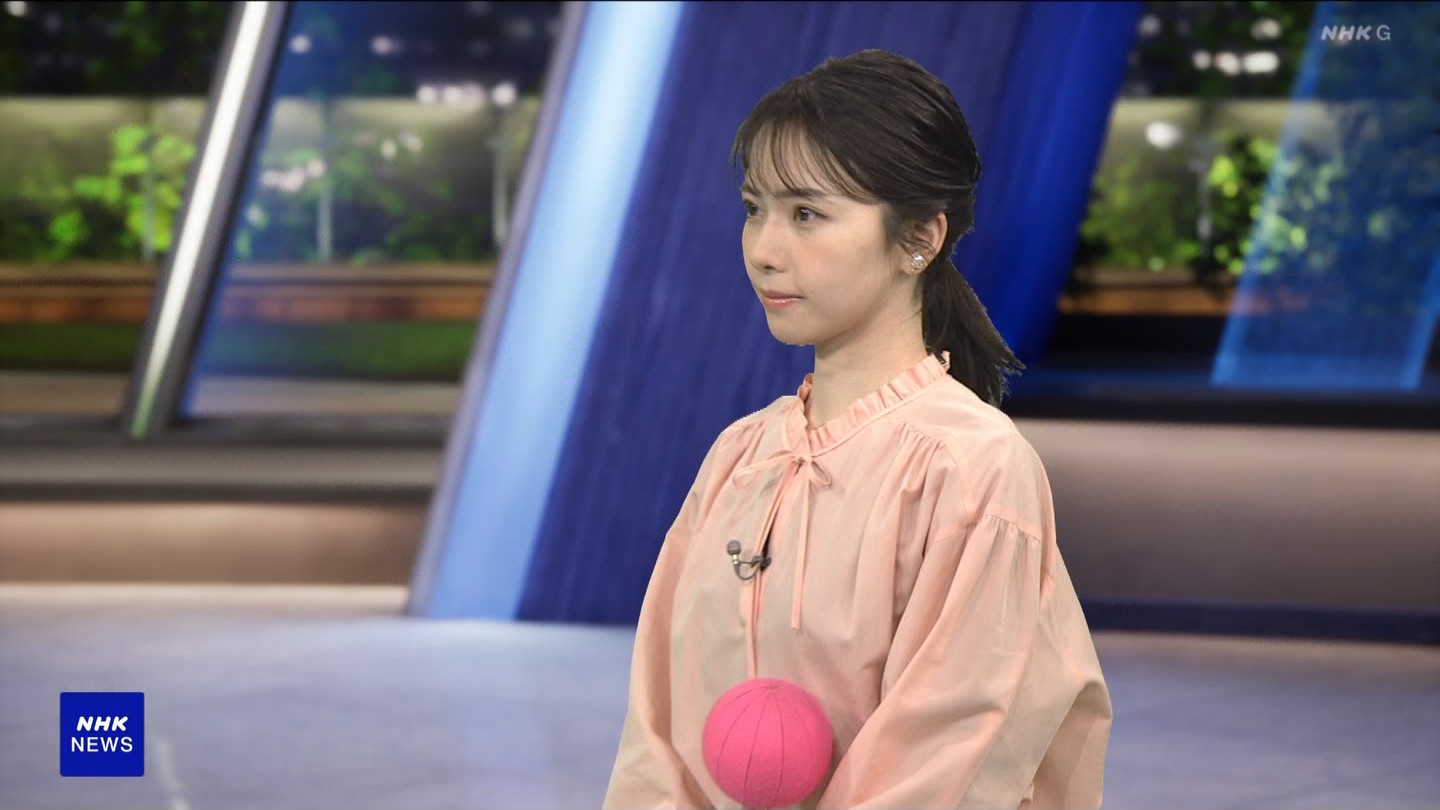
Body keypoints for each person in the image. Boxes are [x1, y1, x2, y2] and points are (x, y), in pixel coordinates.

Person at [603, 49, 1112, 810]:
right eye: (754, 209)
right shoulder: (741, 455)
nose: (764, 250)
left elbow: (950, 753)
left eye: (806, 214)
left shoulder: (970, 467)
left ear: (919, 239)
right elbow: (657, 721)